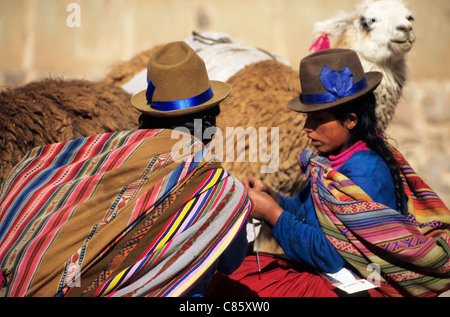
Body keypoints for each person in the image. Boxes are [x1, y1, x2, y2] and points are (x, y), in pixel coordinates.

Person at [0, 41, 252, 297]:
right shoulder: (222, 192)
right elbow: (231, 261)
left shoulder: (99, 156)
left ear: (146, 118)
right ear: (210, 122)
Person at [206, 49, 450, 297]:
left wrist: (271, 213)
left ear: (351, 120)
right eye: (307, 118)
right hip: (332, 275)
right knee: (232, 277)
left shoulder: (365, 174)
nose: (306, 128)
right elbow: (306, 213)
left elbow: (330, 255)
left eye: (318, 119)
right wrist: (272, 197)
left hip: (361, 284)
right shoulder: (329, 165)